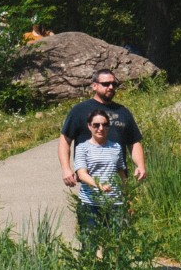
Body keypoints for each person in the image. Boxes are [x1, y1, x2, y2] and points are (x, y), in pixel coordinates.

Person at [58, 69, 146, 191]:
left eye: (114, 84)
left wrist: (140, 165)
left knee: (120, 208)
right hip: (89, 180)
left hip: (118, 180)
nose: (110, 87)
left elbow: (134, 141)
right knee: (92, 208)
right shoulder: (79, 110)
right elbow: (65, 140)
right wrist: (66, 169)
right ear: (94, 86)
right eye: (105, 84)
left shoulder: (122, 112)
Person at [71, 111, 126, 243]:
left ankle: (111, 264)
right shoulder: (82, 148)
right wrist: (99, 185)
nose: (100, 128)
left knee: (115, 244)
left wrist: (127, 197)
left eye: (104, 125)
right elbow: (82, 174)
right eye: (96, 125)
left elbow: (121, 174)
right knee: (90, 244)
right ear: (89, 126)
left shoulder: (116, 147)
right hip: (90, 203)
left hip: (115, 202)